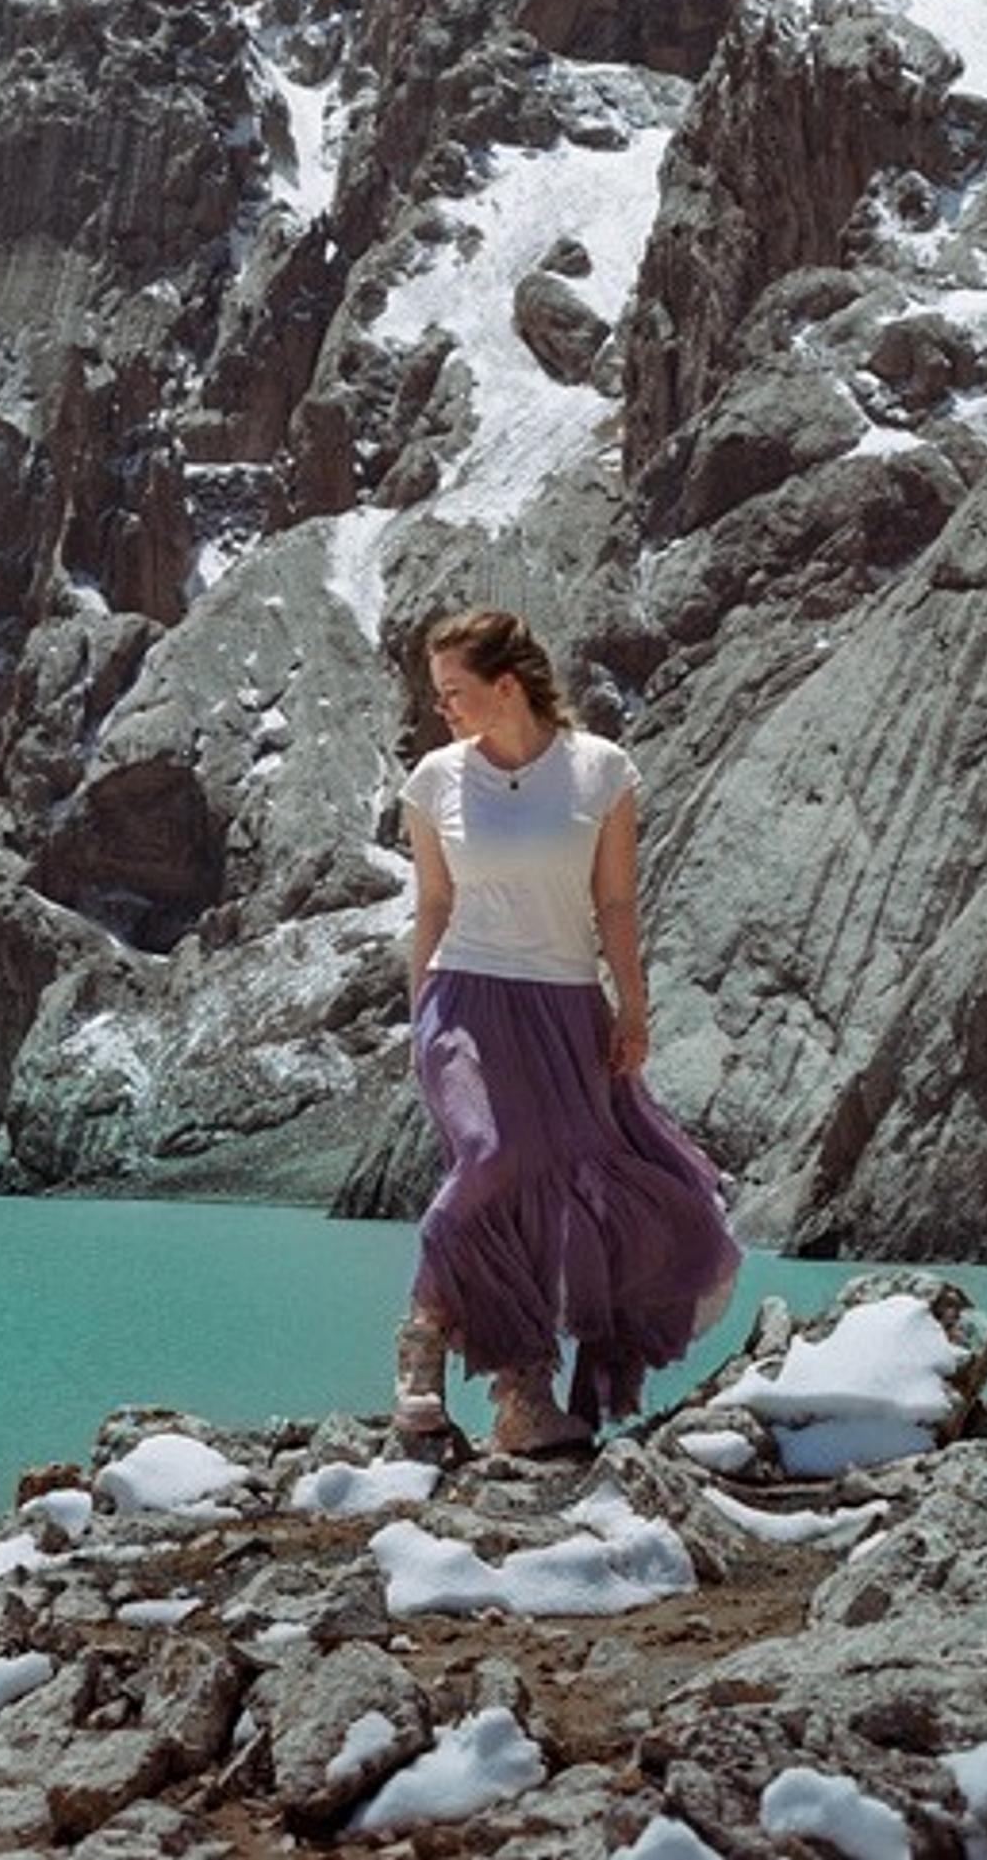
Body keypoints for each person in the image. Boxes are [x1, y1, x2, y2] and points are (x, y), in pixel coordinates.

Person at [392, 608, 739, 1455]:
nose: (442, 710)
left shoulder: (599, 772)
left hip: (563, 1000)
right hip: (464, 996)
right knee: (493, 1155)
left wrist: (632, 1004)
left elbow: (616, 901)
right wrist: (419, 1012)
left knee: (561, 1194)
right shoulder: (434, 780)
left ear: (506, 686)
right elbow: (433, 903)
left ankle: (523, 1394)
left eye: (454, 692)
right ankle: (424, 1333)